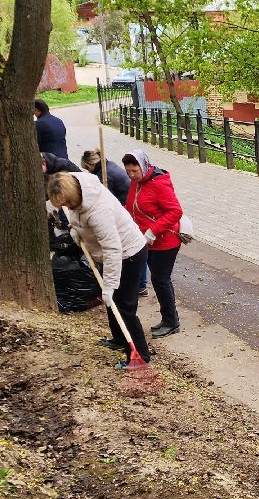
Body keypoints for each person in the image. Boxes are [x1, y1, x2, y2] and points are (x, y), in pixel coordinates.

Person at [45, 171, 151, 368]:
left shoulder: (97, 211)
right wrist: (76, 230)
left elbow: (113, 249)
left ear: (74, 197)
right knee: (113, 302)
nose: (66, 207)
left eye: (67, 203)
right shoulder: (77, 185)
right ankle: (119, 339)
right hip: (114, 253)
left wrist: (110, 286)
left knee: (124, 307)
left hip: (129, 254)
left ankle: (140, 357)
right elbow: (76, 216)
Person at [121, 152, 182, 338]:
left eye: (134, 170)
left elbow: (175, 211)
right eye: (128, 171)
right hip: (147, 240)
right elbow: (132, 207)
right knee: (158, 279)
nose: (131, 175)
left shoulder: (159, 184)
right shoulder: (137, 183)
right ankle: (168, 319)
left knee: (160, 280)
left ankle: (172, 322)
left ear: (144, 166)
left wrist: (153, 230)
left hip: (166, 240)